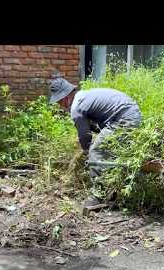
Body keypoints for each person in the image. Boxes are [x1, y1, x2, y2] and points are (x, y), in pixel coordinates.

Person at [49, 77, 142, 208]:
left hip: (125, 119)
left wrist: (88, 152)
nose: (60, 105)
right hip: (131, 114)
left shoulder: (76, 107)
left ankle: (99, 196)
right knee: (109, 152)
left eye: (59, 102)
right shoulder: (84, 97)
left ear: (65, 98)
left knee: (96, 150)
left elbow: (85, 137)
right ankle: (114, 191)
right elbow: (96, 125)